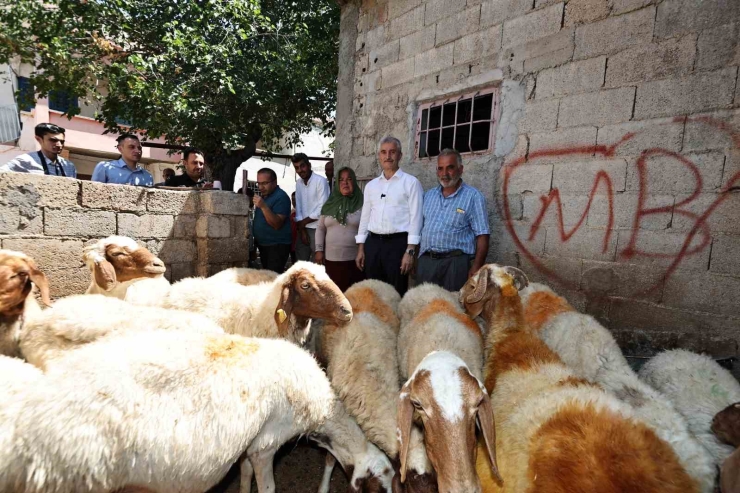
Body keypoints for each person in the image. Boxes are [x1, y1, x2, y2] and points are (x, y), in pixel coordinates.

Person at [355, 136, 423, 296]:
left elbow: (416, 218)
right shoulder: (371, 186)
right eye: (384, 152)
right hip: (373, 244)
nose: (388, 156)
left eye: (392, 152)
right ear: (379, 156)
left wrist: (410, 251)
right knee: (373, 290)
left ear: (400, 155)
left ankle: (394, 321)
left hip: (397, 245)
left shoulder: (411, 183)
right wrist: (361, 248)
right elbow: (365, 217)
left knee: (396, 292)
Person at [417, 149, 490, 292]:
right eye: (440, 168)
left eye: (450, 167)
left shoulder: (473, 197)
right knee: (423, 307)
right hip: (426, 262)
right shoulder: (428, 196)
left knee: (453, 308)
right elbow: (419, 229)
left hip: (455, 265)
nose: (444, 174)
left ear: (460, 169)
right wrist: (416, 261)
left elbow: (483, 235)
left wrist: (476, 267)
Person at [315, 167, 365, 292]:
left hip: (355, 260)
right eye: (341, 180)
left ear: (354, 182)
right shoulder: (329, 204)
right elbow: (320, 228)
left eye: (349, 179)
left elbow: (366, 230)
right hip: (331, 260)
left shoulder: (363, 203)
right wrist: (319, 250)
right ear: (337, 183)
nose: (345, 183)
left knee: (354, 295)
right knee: (334, 295)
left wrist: (362, 251)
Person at [252, 168, 292, 273]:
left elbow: (277, 224)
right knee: (267, 277)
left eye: (265, 183)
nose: (261, 187)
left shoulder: (281, 197)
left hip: (276, 246)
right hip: (264, 245)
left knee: (272, 278)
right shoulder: (265, 196)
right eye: (259, 183)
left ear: (274, 182)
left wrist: (264, 207)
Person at [0, 123, 77, 177]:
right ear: (39, 139)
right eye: (53, 140)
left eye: (62, 141)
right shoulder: (26, 160)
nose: (59, 145)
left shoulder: (69, 166)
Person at [292, 153, 329, 262]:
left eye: (302, 166)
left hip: (318, 228)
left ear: (309, 165)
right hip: (303, 229)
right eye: (296, 168)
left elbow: (323, 208)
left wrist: (303, 223)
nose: (300, 170)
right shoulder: (298, 183)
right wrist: (302, 228)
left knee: (318, 264)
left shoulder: (320, 181)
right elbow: (298, 209)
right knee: (300, 264)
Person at [290, 192, 298, 265]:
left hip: (299, 242)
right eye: (292, 199)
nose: (294, 201)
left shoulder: (302, 212)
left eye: (296, 199)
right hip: (292, 241)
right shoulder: (291, 213)